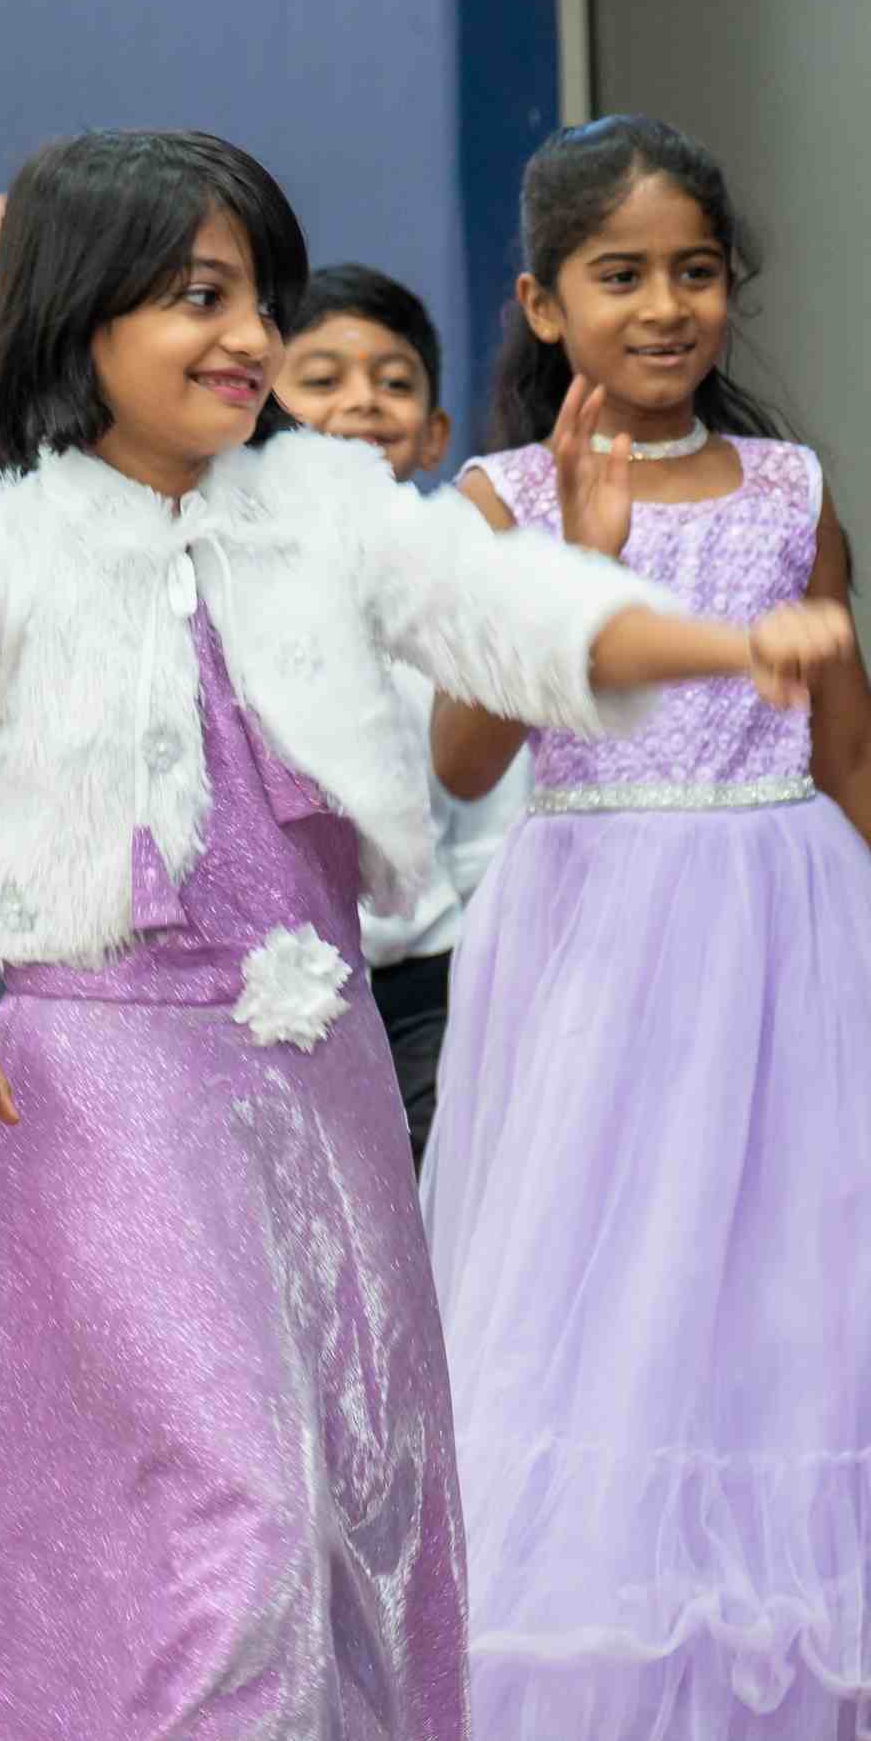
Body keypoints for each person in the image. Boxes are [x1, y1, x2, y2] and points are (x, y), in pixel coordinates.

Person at [0, 128, 843, 1741]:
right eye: (197, 298)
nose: (244, 339)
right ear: (79, 318)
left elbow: (520, 624)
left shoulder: (328, 511)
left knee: (322, 1523)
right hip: (93, 1086)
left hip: (314, 1076)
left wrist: (722, 645)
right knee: (233, 1517)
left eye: (254, 295)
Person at [422, 117, 871, 1741]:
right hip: (598, 941)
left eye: (694, 271)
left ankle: (775, 1736)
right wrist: (572, 565)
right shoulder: (495, 502)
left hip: (792, 929)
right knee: (608, 1315)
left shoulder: (786, 487)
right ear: (544, 303)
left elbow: (857, 748)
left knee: (800, 1311)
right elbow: (461, 758)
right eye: (618, 274)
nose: (664, 305)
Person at [271, 263, 515, 1159]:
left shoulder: (457, 584)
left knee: (432, 1199)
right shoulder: (223, 580)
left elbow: (488, 819)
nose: (362, 401)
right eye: (321, 378)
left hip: (426, 990)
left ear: (435, 433)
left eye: (394, 382)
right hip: (265, 983)